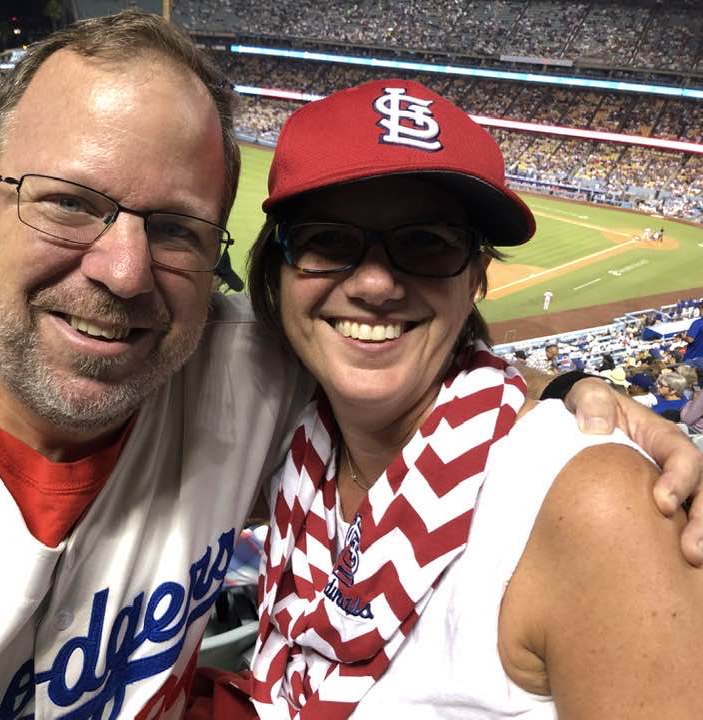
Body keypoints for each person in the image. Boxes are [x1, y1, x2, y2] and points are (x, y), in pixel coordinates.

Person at [0, 13, 700, 719]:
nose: (122, 272)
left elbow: (451, 386)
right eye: (69, 203)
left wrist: (584, 397)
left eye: (173, 229)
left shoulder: (247, 367)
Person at [238, 79, 703, 718]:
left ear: (477, 279)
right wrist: (563, 380)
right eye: (329, 239)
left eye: (427, 243)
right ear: (278, 270)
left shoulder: (598, 504)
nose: (375, 283)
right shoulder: (286, 426)